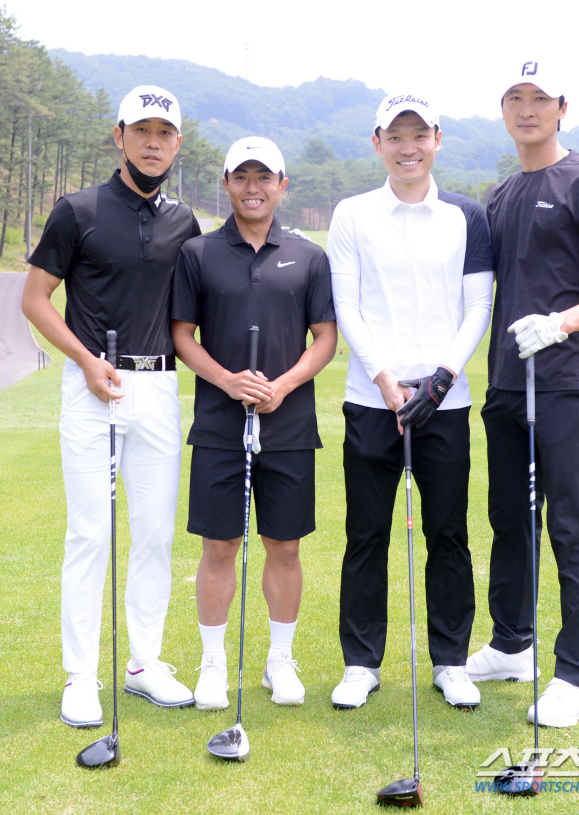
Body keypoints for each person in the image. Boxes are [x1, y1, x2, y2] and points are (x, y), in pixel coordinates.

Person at [467, 61, 579, 727]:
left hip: (566, 381)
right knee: (511, 520)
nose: (527, 109)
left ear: (562, 107)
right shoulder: (501, 192)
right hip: (509, 383)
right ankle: (513, 642)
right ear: (503, 108)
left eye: (539, 98)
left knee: (572, 525)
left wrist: (564, 321)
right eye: (515, 98)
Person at [22, 86, 202, 727]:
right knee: (90, 533)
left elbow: (194, 312)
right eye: (142, 131)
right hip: (93, 386)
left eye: (165, 133)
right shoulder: (79, 210)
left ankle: (144, 663)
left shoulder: (185, 221)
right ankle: (80, 676)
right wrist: (85, 360)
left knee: (154, 533)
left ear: (177, 144)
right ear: (119, 136)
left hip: (158, 388)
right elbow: (37, 298)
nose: (154, 143)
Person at [327, 93, 495, 710]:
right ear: (377, 144)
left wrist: (443, 378)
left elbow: (477, 305)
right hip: (373, 399)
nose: (407, 147)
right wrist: (386, 381)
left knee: (447, 532)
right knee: (366, 533)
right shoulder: (352, 214)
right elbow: (349, 306)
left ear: (437, 140)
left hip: (444, 402)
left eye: (418, 135)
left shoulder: (465, 215)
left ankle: (451, 660)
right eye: (395, 136)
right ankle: (360, 663)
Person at [171, 136, 336, 710]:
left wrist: (283, 385)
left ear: (283, 184)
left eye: (264, 177)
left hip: (289, 426)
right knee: (220, 545)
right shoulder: (198, 253)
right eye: (240, 177)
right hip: (219, 423)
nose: (252, 187)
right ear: (226, 183)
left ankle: (279, 661)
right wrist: (227, 381)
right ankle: (213, 664)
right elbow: (181, 335)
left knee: (284, 545)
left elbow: (326, 338)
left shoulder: (309, 256)